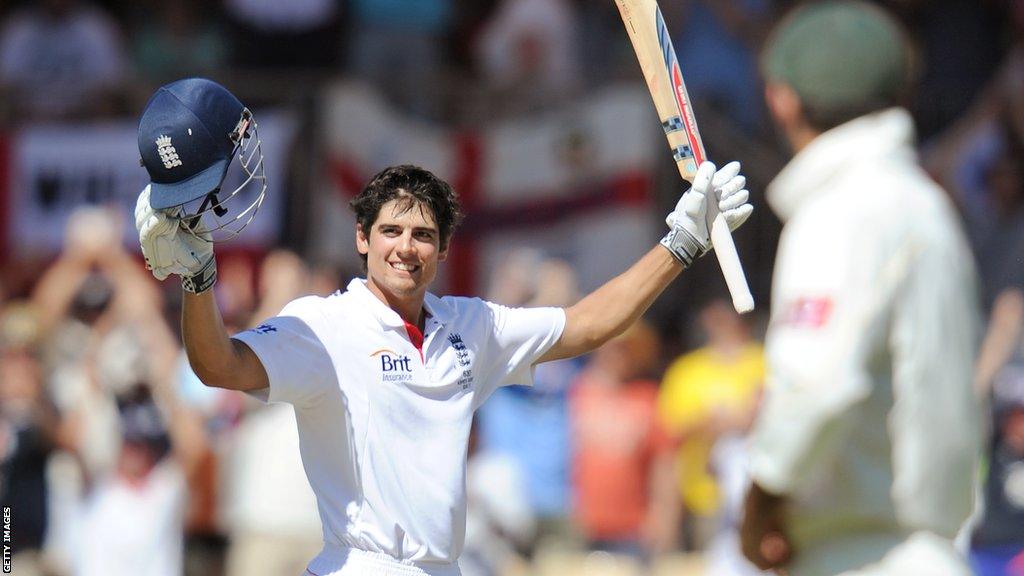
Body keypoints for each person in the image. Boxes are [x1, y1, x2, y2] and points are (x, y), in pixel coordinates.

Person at [132, 77, 753, 576]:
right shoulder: (323, 326)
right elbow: (218, 366)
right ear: (362, 240)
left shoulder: (471, 326)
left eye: (423, 234)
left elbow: (589, 325)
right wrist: (199, 282)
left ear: (444, 249)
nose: (406, 248)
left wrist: (683, 240)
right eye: (391, 232)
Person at [740, 2, 983, 575]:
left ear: (783, 98)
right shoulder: (927, 205)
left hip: (861, 557)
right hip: (930, 550)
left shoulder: (843, 207)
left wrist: (758, 506)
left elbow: (816, 388)